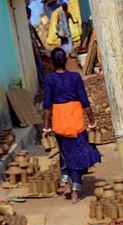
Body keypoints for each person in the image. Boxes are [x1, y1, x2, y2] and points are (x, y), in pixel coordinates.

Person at [41, 48, 101, 202]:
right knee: (78, 154)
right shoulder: (75, 77)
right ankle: (75, 188)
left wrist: (46, 126)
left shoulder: (49, 79)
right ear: (66, 60)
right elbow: (85, 102)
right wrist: (92, 121)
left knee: (65, 152)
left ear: (52, 62)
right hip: (76, 120)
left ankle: (66, 181)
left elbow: (47, 105)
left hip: (60, 122)